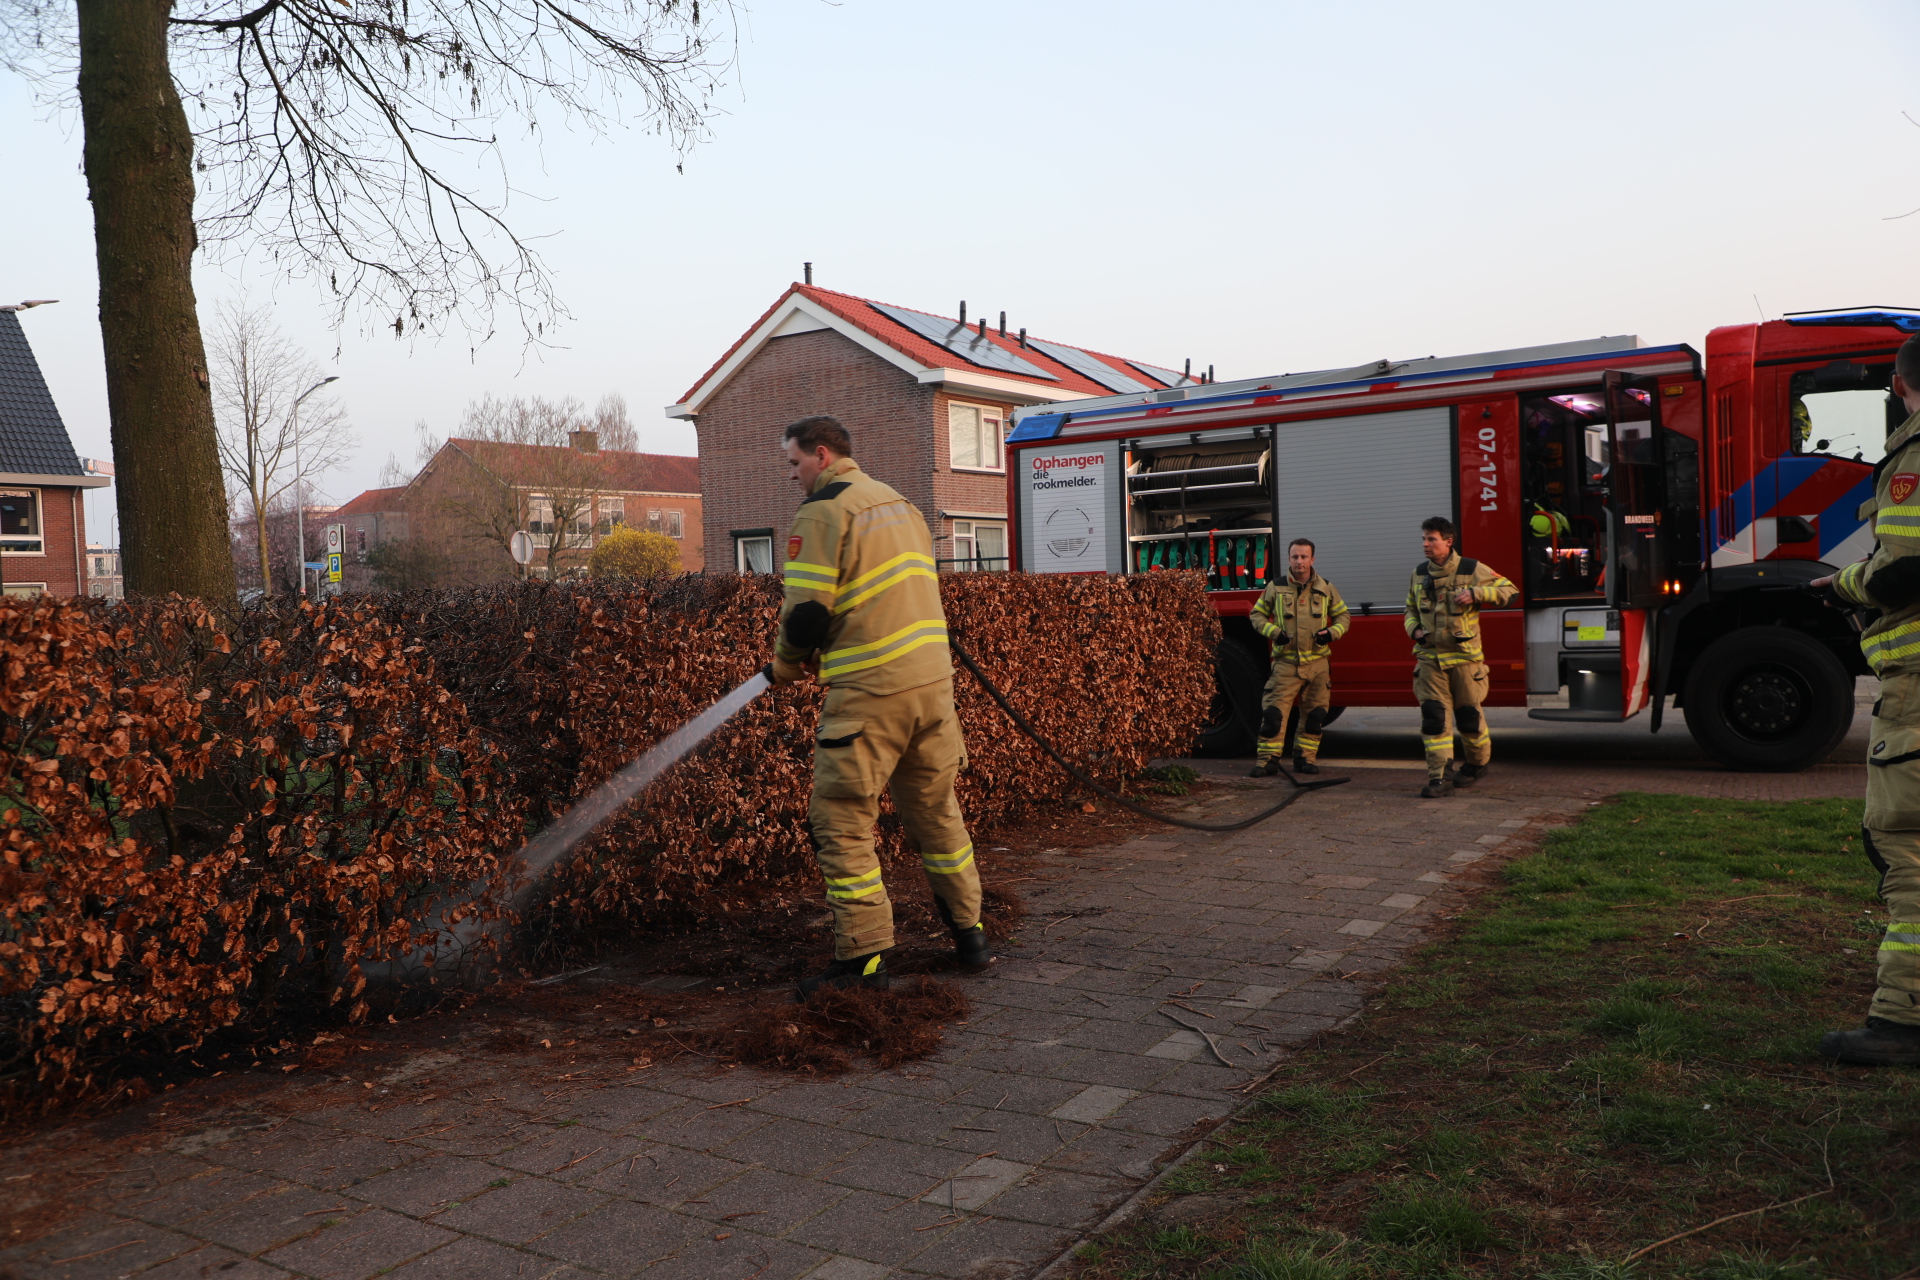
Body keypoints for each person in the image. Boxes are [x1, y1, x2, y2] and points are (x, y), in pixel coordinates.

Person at [769, 415, 990, 999]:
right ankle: (970, 935)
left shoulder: (824, 511)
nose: (792, 475)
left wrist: (787, 663)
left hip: (871, 693)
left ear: (821, 455)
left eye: (794, 462)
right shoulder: (901, 504)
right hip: (933, 688)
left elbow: (807, 614)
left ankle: (864, 962)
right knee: (935, 811)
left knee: (841, 821)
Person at [1811, 333, 1920, 1066]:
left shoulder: (1913, 456)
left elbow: (1905, 571)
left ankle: (1903, 1021)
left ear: (1897, 383)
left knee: (1906, 845)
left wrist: (1843, 583)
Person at [1404, 516, 1516, 798]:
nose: (1425, 544)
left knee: (1469, 718)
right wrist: (1414, 629)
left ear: (1448, 541)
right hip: (1430, 660)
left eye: (1432, 539)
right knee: (1434, 719)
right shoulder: (1419, 573)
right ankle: (1439, 778)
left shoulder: (1471, 568)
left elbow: (1510, 591)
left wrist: (1477, 593)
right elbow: (1410, 610)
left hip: (1465, 661)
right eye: (1424, 539)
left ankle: (1477, 764)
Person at [1247, 538, 1349, 776]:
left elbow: (1344, 616)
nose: (1299, 561)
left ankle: (1305, 759)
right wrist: (1274, 633)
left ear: (1312, 559)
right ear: (1289, 559)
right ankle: (1267, 761)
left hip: (1318, 664)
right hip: (1286, 664)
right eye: (1295, 557)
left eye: (1304, 557)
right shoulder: (1276, 587)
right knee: (1273, 715)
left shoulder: (1326, 587)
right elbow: (1256, 615)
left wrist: (1332, 633)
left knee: (1314, 716)